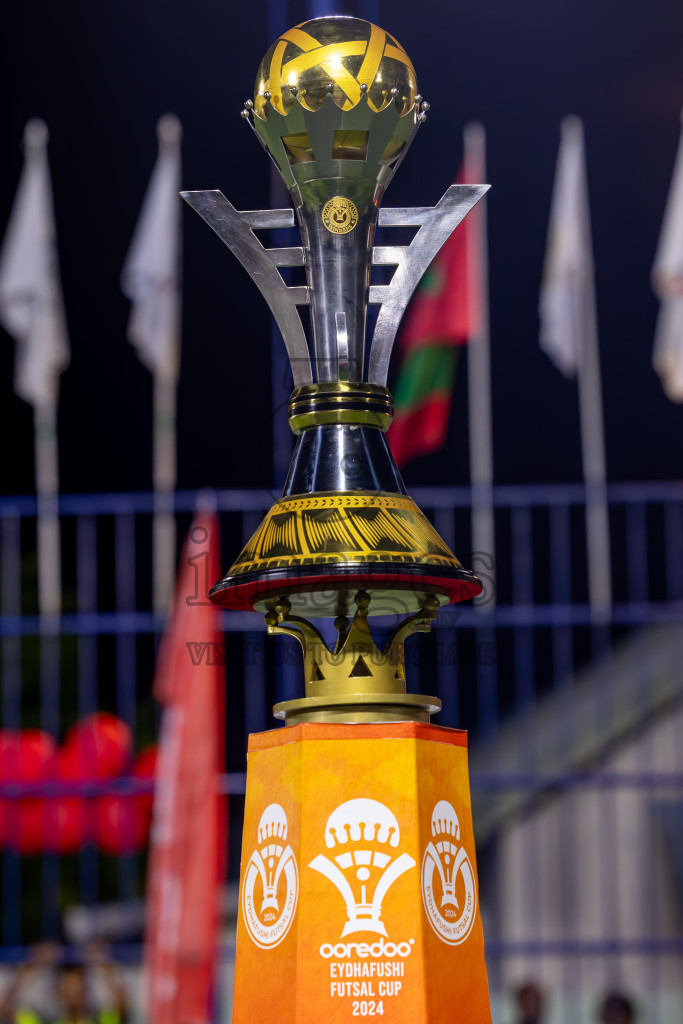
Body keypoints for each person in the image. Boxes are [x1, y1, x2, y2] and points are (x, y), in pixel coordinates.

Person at [0, 944, 128, 1024]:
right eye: (68, 986)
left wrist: (104, 968)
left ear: (85, 989)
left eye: (76, 986)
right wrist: (32, 964)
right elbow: (4, 1011)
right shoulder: (44, 1020)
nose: (73, 991)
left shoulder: (99, 1020)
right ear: (59, 991)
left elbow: (123, 1009)